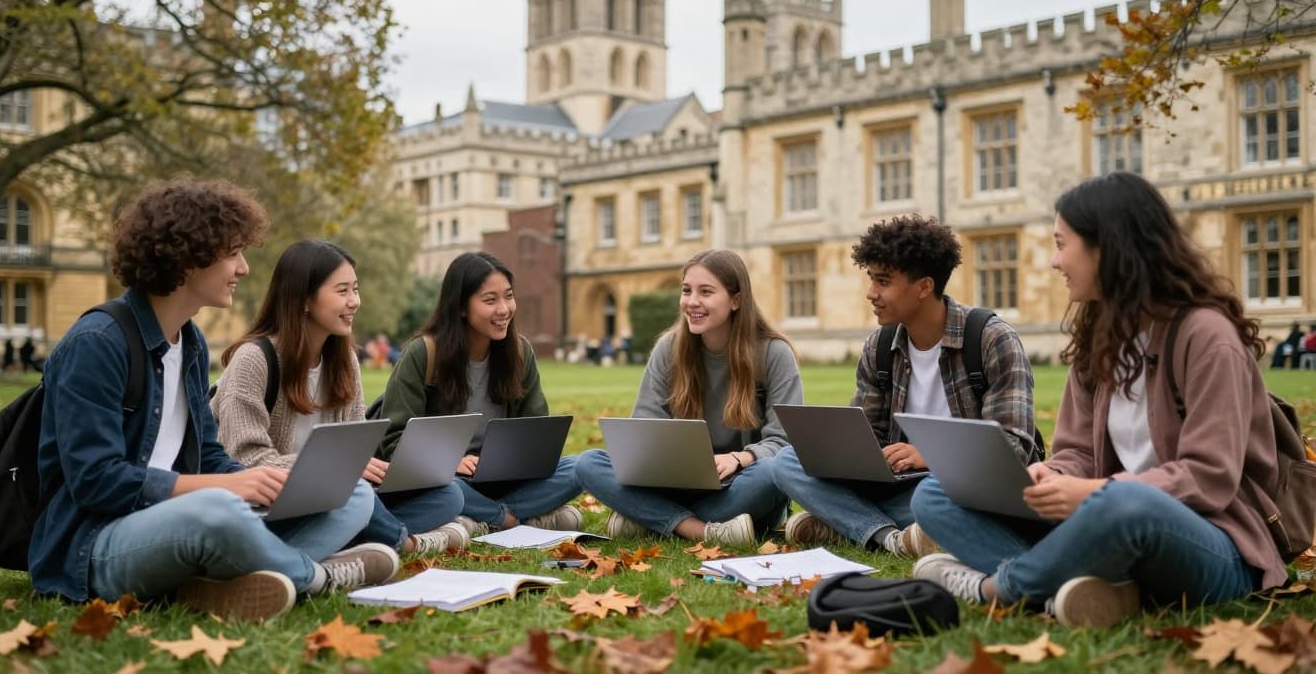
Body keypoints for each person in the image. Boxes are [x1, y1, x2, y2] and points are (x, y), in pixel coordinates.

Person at [911, 172, 1288, 627]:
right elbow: (1078, 452)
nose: (1053, 261)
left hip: (1215, 545)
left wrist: (1092, 493)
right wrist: (1050, 475)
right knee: (935, 492)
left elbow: (1209, 478)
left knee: (1124, 504)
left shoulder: (1206, 337)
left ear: (1107, 248)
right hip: (1101, 518)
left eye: (1061, 243)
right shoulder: (1098, 336)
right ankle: (1080, 586)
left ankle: (999, 587)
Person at [31, 180, 398, 622]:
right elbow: (95, 481)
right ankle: (317, 576)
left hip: (188, 520)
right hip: (96, 544)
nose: (243, 268)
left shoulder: (190, 343)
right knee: (218, 508)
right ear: (187, 257)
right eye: (233, 253)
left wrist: (259, 477)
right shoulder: (98, 343)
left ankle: (220, 584)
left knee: (352, 493)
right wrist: (222, 487)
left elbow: (207, 454)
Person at [772, 215, 1038, 557]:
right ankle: (888, 536)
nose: (871, 293)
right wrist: (844, 453)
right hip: (896, 486)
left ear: (924, 286)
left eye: (883, 281)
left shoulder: (991, 339)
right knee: (786, 461)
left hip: (955, 486)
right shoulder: (879, 347)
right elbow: (867, 437)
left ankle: (843, 521)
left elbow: (1013, 448)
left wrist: (929, 456)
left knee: (935, 496)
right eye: (871, 279)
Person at [214, 240, 467, 557]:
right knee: (358, 495)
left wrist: (354, 465)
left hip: (335, 494)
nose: (354, 302)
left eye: (355, 290)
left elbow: (351, 444)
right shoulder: (254, 359)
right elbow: (243, 459)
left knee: (447, 494)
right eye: (342, 291)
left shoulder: (345, 360)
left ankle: (349, 540)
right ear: (304, 298)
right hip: (269, 503)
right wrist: (331, 470)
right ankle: (404, 543)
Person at [575, 249, 801, 547]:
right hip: (675, 484)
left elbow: (785, 445)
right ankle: (701, 530)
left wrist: (739, 458)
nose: (692, 301)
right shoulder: (669, 348)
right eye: (686, 291)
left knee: (774, 471)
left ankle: (649, 518)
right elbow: (644, 426)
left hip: (741, 484)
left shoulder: (774, 353)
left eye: (706, 292)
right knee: (588, 463)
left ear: (736, 300)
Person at [375, 251, 582, 536]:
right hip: (446, 478)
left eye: (508, 296)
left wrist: (520, 458)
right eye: (490, 300)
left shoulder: (520, 352)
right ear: (461, 306)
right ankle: (509, 517)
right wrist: (448, 461)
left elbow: (535, 429)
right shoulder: (424, 354)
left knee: (581, 467)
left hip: (502, 477)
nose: (504, 309)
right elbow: (394, 441)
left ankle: (480, 520)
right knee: (450, 491)